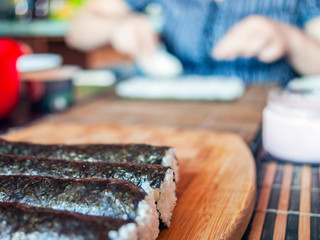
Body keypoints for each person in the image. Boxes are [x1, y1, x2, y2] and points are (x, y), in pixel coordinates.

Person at [66, 0, 320, 84]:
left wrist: (290, 39)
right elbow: (78, 30)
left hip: (265, 127)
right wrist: (116, 26)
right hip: (172, 117)